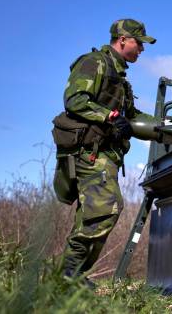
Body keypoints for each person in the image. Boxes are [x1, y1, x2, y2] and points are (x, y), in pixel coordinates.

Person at [51, 18, 156, 286]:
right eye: (139, 44)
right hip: (89, 151)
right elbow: (75, 100)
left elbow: (132, 115)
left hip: (105, 154)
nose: (142, 50)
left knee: (103, 211)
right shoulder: (94, 62)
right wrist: (108, 115)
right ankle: (68, 275)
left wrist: (165, 125)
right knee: (105, 209)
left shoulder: (120, 78)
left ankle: (70, 276)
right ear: (122, 40)